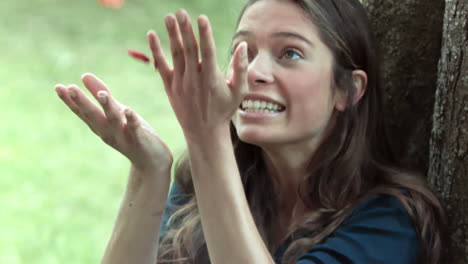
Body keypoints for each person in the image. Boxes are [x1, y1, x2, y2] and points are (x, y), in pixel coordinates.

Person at [54, 0, 447, 263]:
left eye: (289, 53)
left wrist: (208, 139)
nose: (254, 72)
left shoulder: (389, 220)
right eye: (245, 50)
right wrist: (149, 172)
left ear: (347, 89)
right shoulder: (197, 187)